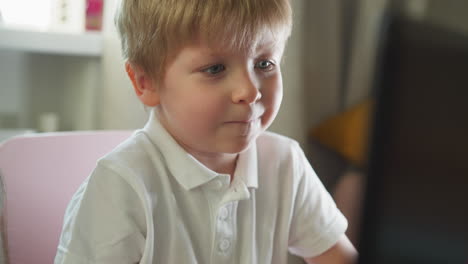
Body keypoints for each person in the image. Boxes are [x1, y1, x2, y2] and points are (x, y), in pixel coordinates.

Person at [55, 0, 357, 263]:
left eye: (264, 63)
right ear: (145, 82)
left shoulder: (284, 162)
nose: (249, 91)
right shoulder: (121, 185)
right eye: (215, 69)